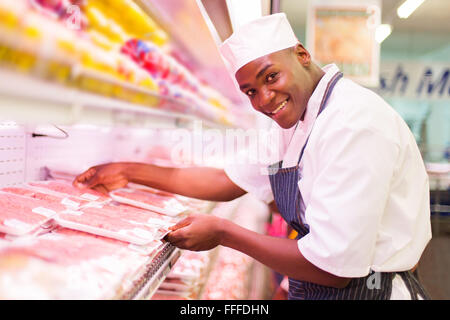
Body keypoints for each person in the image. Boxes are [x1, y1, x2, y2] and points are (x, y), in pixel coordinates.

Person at [73, 13, 432, 300]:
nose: (263, 99)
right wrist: (127, 171)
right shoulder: (294, 124)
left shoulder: (353, 124)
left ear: (302, 55)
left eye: (271, 76)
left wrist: (225, 233)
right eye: (250, 91)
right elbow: (225, 181)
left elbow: (333, 268)